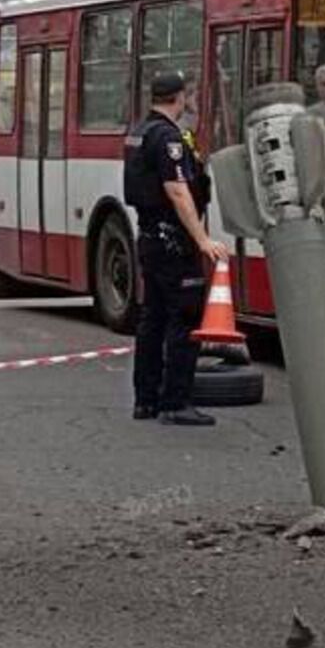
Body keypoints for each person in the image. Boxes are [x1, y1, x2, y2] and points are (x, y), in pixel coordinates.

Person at [123, 72, 230, 426]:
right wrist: (202, 240)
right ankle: (176, 402)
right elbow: (177, 190)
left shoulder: (139, 133)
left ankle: (146, 400)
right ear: (179, 98)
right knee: (183, 318)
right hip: (173, 243)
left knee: (151, 318)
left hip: (150, 238)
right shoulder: (168, 137)